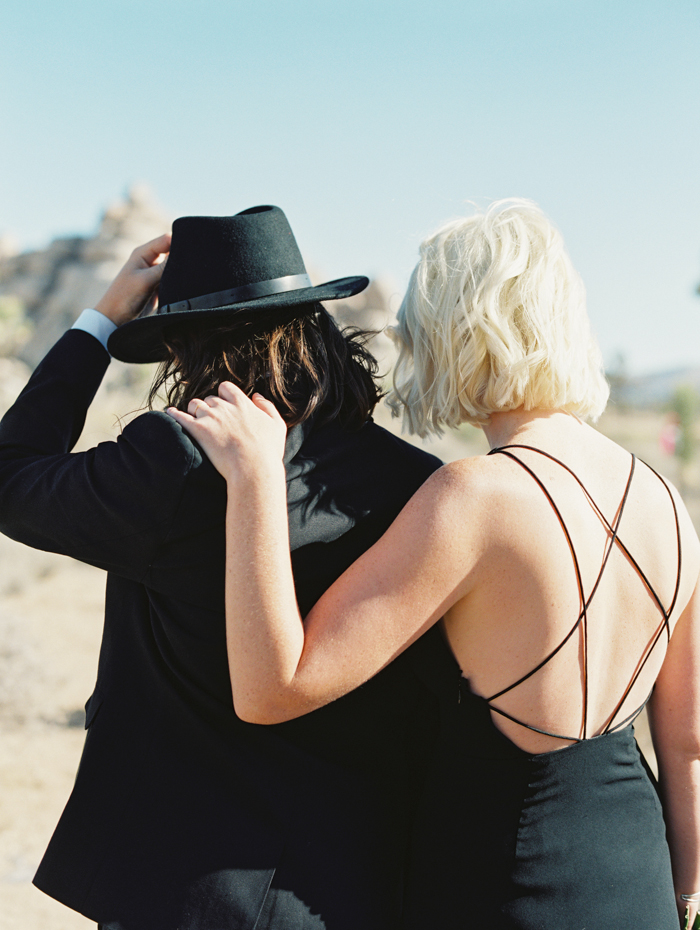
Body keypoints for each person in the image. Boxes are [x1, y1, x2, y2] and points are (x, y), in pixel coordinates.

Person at [169, 199, 700, 930]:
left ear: (460, 332)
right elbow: (688, 743)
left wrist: (256, 482)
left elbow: (271, 688)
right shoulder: (666, 500)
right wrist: (684, 896)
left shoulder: (472, 498)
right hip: (636, 880)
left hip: (501, 886)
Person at [0, 205, 444, 930]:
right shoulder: (417, 482)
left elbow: (11, 477)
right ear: (315, 325)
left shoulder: (173, 464)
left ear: (184, 348)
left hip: (186, 891)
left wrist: (99, 322)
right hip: (353, 891)